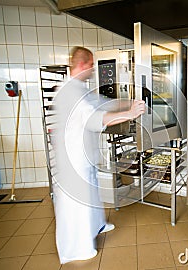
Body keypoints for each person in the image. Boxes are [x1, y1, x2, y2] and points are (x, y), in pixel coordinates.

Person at [52, 46, 145, 264]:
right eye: (92, 64)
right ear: (83, 64)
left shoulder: (80, 89)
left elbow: (103, 103)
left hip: (84, 157)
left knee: (91, 197)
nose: (94, 69)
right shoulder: (70, 92)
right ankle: (77, 249)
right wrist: (130, 114)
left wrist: (129, 101)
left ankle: (97, 225)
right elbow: (97, 119)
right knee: (77, 205)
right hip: (73, 161)